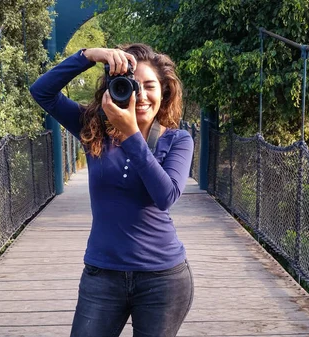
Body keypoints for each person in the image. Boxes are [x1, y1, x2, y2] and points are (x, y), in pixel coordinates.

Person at [30, 43, 194, 337]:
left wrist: (131, 133)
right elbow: (41, 91)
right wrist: (90, 55)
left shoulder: (179, 140)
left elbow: (166, 195)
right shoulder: (94, 130)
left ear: (164, 92)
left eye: (150, 86)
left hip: (162, 279)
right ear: (117, 89)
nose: (141, 96)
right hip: (102, 275)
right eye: (133, 86)